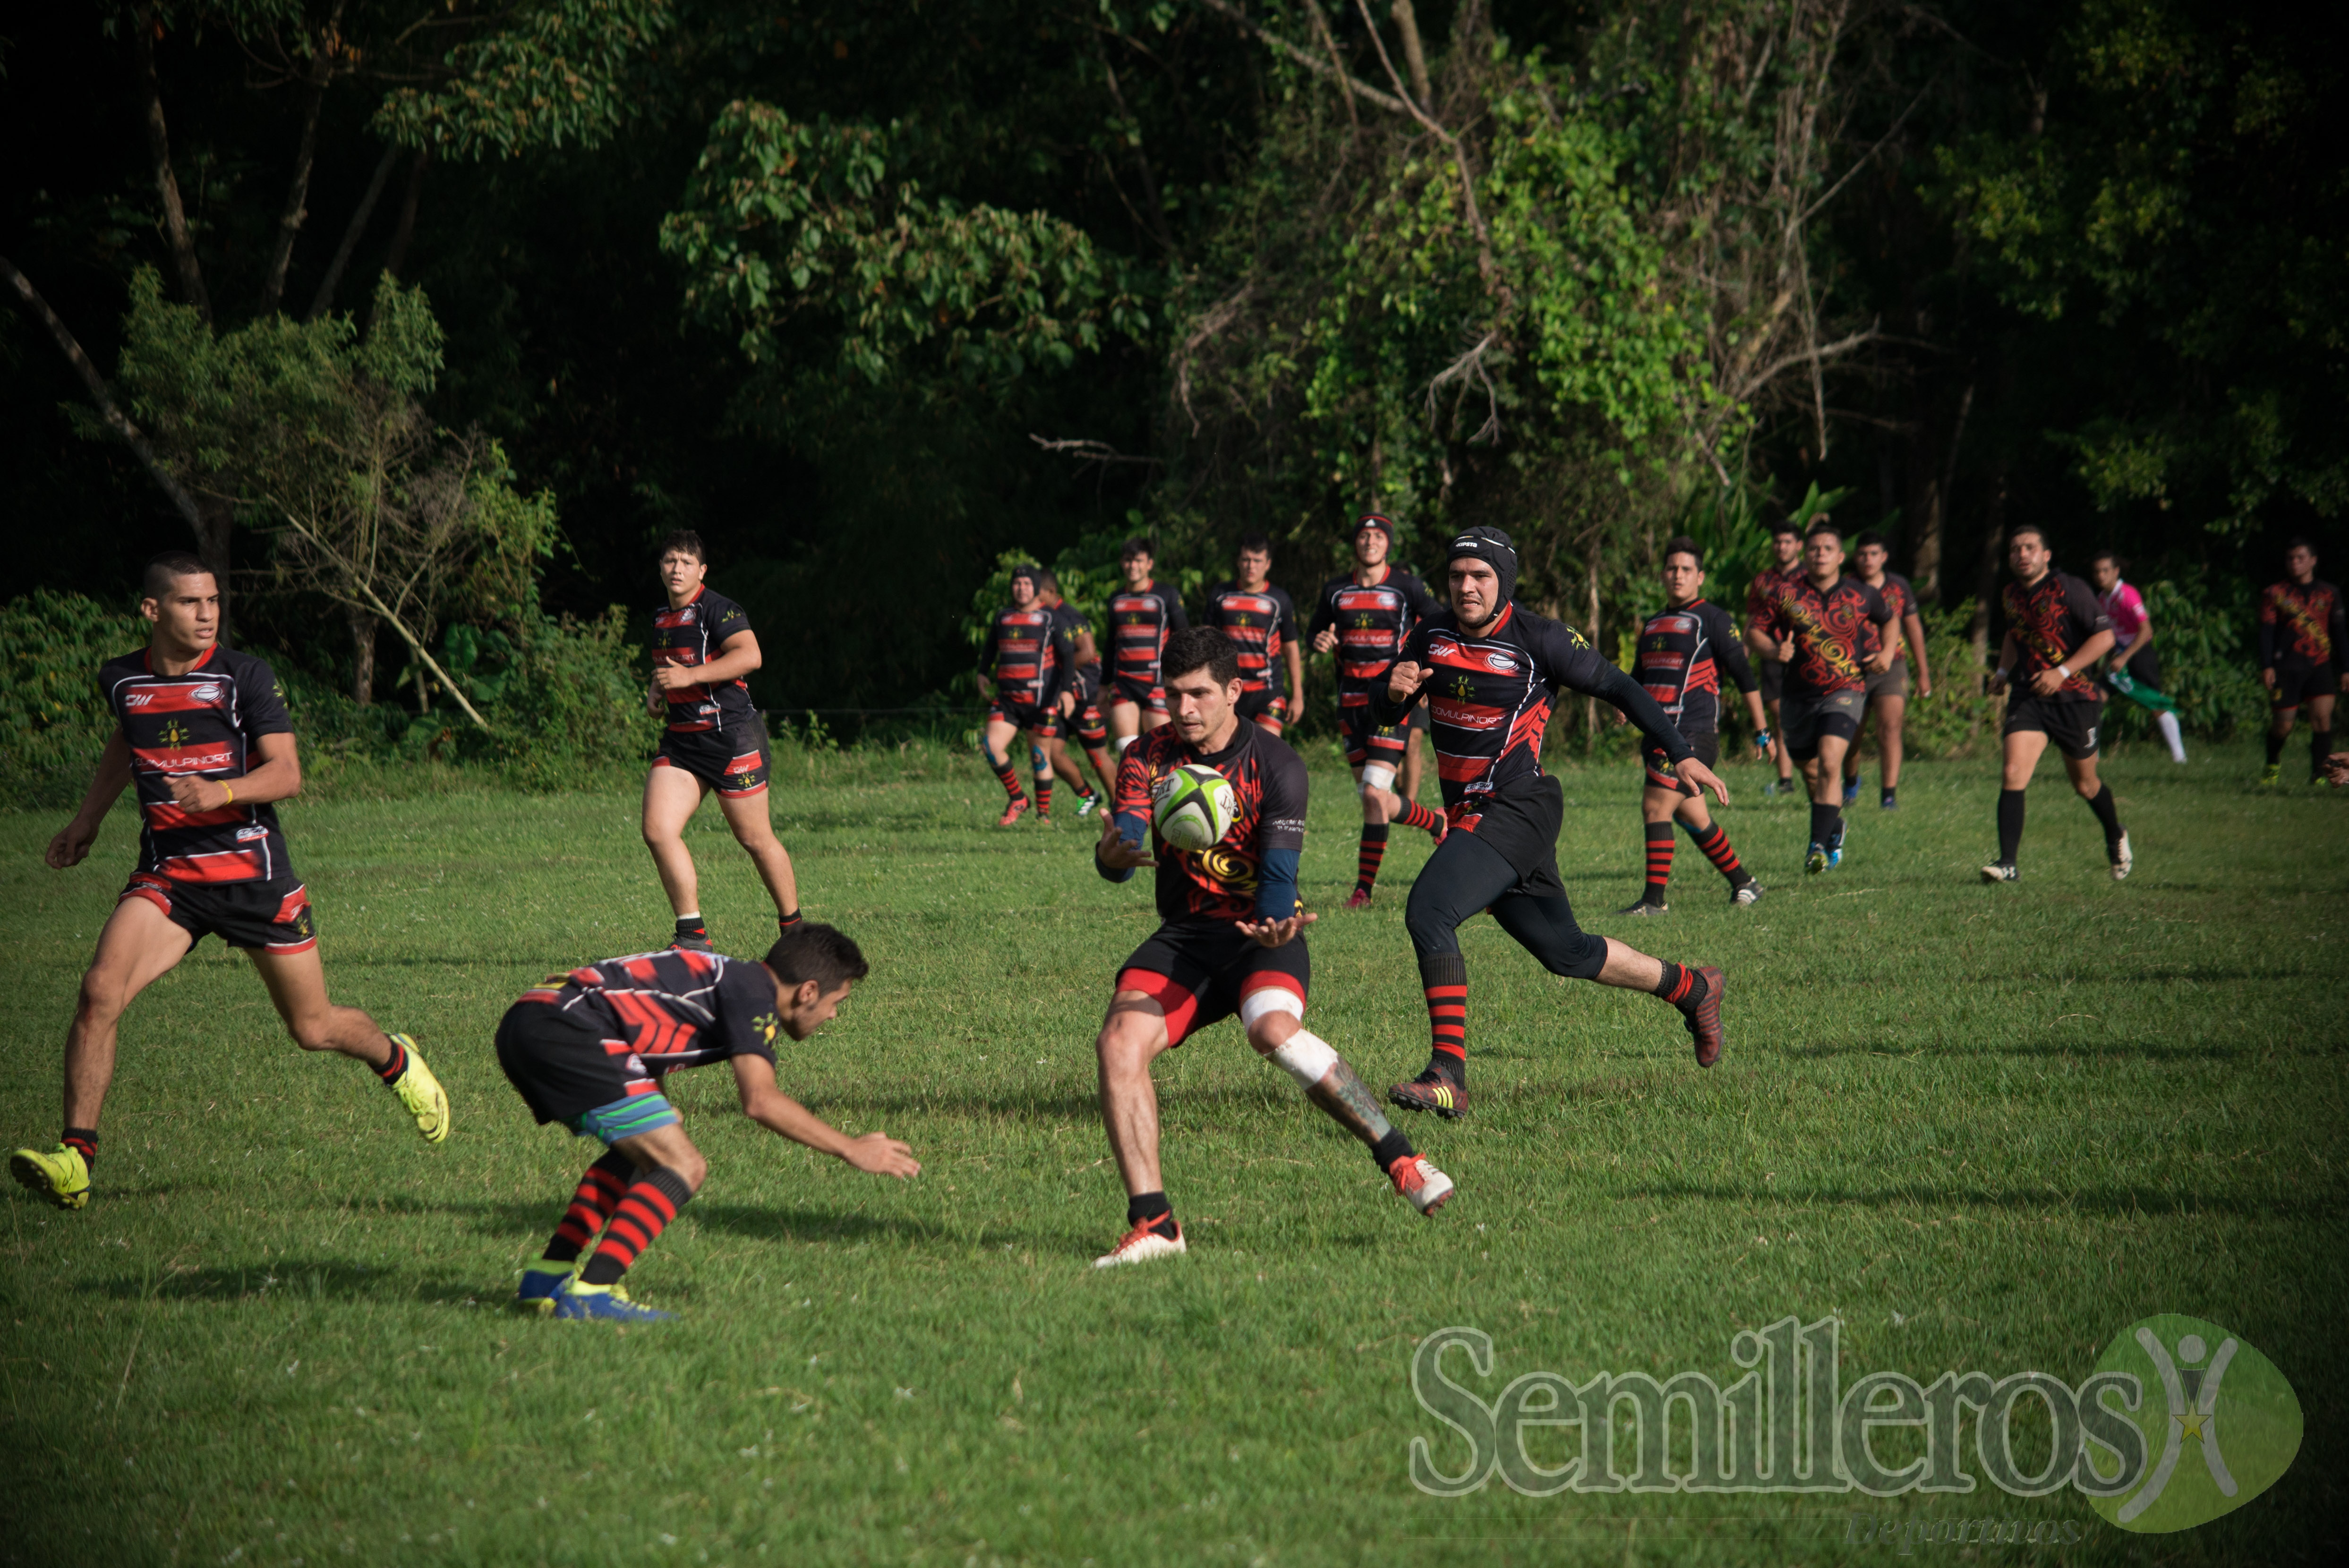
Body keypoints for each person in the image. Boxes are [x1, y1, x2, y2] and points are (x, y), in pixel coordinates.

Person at [10, 554, 448, 1212]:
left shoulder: (244, 676)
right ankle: (76, 1161)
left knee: (313, 1027)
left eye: (213, 600)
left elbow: (287, 774)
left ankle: (396, 1059)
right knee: (99, 992)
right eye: (190, 602)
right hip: (170, 878)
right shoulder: (122, 679)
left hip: (253, 878)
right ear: (152, 611)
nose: (207, 613)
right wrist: (87, 820)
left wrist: (222, 791)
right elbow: (128, 742)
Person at [1089, 628, 1455, 1266]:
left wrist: (1273, 924)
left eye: (1200, 694)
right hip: (1185, 937)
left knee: (1272, 1031)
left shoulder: (1277, 764)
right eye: (1173, 695)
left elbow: (1280, 877)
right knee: (1118, 1043)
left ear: (1234, 691)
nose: (1184, 710)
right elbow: (1122, 845)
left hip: (1263, 937)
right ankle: (1156, 1225)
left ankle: (1401, 1157)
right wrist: (1112, 855)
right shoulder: (1148, 754)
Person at [1377, 529, 1733, 1123]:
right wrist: (1389, 694)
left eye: (1480, 575)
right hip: (1478, 813)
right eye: (1457, 575)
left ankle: (1447, 1075)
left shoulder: (1540, 637)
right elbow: (1384, 707)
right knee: (1564, 950)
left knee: (1429, 909)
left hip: (1519, 806)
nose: (1466, 586)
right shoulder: (1430, 633)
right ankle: (1692, 987)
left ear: (1504, 581)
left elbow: (1620, 686)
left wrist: (1679, 751)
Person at [496, 923, 918, 1320]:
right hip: (569, 1028)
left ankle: (547, 1277)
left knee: (645, 1150)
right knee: (683, 1165)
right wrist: (850, 1148)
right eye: (836, 1002)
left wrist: (661, 1112)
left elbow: (637, 1015)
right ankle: (592, 1294)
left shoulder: (731, 979)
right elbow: (760, 1101)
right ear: (808, 991)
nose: (833, 1016)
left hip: (535, 1019)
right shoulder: (753, 996)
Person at [643, 531, 801, 953]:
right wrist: (657, 689)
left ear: (702, 571)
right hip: (682, 742)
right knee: (658, 830)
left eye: (686, 562)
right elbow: (670, 667)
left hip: (731, 736)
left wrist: (688, 677)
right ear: (660, 568)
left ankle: (795, 931)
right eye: (670, 561)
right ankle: (692, 936)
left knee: (754, 839)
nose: (677, 569)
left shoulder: (719, 609)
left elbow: (750, 656)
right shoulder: (661, 618)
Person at [1616, 537, 1767, 915]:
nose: (1677, 575)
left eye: (1685, 569)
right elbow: (1637, 679)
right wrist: (1624, 705)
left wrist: (1761, 730)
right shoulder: (1653, 623)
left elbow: (1744, 676)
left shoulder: (1714, 619)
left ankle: (1653, 902)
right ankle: (1744, 883)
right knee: (1692, 815)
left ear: (1699, 577)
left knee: (1655, 807)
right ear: (1662, 575)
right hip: (1658, 735)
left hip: (1694, 734)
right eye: (1671, 568)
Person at [1305, 513, 1449, 907]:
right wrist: (1319, 640)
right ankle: (1437, 822)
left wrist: (1420, 676)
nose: (1370, 541)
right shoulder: (1336, 590)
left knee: (1373, 793)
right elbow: (1315, 630)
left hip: (1390, 702)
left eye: (1377, 536)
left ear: (1388, 543)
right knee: (1376, 799)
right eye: (1364, 536)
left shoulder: (1407, 586)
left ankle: (1362, 892)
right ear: (1355, 543)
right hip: (1348, 704)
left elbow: (1439, 625)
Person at [1983, 525, 2129, 883]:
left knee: (2085, 785)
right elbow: (2014, 631)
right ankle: (2008, 864)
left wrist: (2061, 672)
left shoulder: (2069, 588)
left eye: (2030, 548)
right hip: (2029, 695)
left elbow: (2105, 638)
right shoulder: (2011, 594)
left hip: (2075, 698)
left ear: (2046, 555)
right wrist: (2002, 671)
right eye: (2015, 549)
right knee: (2013, 772)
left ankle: (2115, 833)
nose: (2022, 554)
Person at [1751, 521, 1896, 875]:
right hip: (1797, 696)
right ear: (1806, 554)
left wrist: (1888, 652)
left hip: (1845, 689)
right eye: (1814, 549)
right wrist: (1773, 650)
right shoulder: (1785, 593)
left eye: (1827, 549)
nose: (1820, 555)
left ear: (1840, 557)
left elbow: (1890, 620)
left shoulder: (1861, 594)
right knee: (1811, 771)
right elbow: (1754, 632)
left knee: (1831, 762)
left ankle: (1815, 847)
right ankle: (1834, 827)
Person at [976, 563, 1076, 827]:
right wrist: (982, 673)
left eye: (1027, 584)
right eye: (1017, 583)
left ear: (1037, 588)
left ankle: (1043, 816)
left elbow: (1068, 657)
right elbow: (990, 648)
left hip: (1042, 701)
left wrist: (1067, 691)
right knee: (991, 746)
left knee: (1039, 757)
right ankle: (1018, 798)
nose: (1021, 588)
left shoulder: (1052, 618)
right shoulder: (1003, 617)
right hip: (1008, 700)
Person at [1839, 529, 1932, 810]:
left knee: (1890, 729)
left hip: (1893, 665)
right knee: (1851, 733)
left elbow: (1913, 628)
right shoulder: (1845, 585)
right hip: (1852, 667)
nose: (1868, 559)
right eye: (1862, 554)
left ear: (1884, 557)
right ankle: (1851, 781)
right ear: (1855, 557)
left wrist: (1924, 673)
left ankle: (1889, 796)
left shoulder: (1899, 586)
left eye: (1874, 554)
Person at [2257, 538, 2346, 786]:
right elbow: (2266, 632)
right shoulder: (2275, 594)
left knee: (2322, 721)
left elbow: (2340, 633)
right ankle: (2272, 763)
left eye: (2300, 558)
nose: (2295, 563)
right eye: (2291, 558)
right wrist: (2267, 666)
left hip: (2320, 665)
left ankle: (2319, 775)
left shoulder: (2329, 593)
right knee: (2283, 727)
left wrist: (2346, 669)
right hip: (2287, 668)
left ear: (2313, 561)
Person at [2087, 550, 2188, 764]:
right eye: (2096, 572)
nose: (2100, 576)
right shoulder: (2102, 599)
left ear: (2116, 572)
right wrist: (2106, 661)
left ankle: (2180, 758)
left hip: (2139, 653)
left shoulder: (2127, 595)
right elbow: (2111, 635)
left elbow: (2146, 629)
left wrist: (2124, 658)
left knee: (2155, 703)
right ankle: (2092, 755)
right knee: (2096, 698)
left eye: (2105, 571)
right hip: (2118, 655)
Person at [1200, 534, 1303, 736]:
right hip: (1227, 689)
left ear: (1268, 564)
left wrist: (1298, 696)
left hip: (1268, 692)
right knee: (1227, 751)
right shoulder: (1220, 594)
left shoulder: (1279, 600)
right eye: (1246, 560)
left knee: (1265, 751)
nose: (1251, 566)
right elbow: (1205, 643)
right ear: (1238, 562)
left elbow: (1291, 648)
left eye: (1257, 561)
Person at [1038, 570, 1114, 810]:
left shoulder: (1070, 616)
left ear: (1051, 592)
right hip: (1059, 694)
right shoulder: (1041, 617)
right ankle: (1088, 794)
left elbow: (1088, 653)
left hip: (1083, 693)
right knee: (1052, 752)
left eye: (1036, 593)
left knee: (1096, 754)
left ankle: (1121, 807)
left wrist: (1056, 672)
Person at [1105, 537, 1189, 755]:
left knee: (1162, 753)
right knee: (1126, 749)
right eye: (1128, 560)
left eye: (1139, 561)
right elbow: (1110, 644)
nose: (1133, 566)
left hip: (1158, 683)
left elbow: (1184, 639)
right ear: (1122, 563)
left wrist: (1184, 679)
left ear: (1150, 564)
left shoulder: (1167, 595)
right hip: (1124, 683)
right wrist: (1103, 686)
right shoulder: (1116, 599)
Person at [1745, 519, 1806, 797]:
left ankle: (1819, 771)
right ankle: (1785, 780)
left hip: (1806, 655)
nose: (1782, 547)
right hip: (1771, 653)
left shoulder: (1809, 576)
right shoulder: (1763, 581)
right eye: (1778, 542)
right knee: (1780, 717)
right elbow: (1751, 621)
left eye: (1787, 542)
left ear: (1799, 546)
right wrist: (1743, 655)